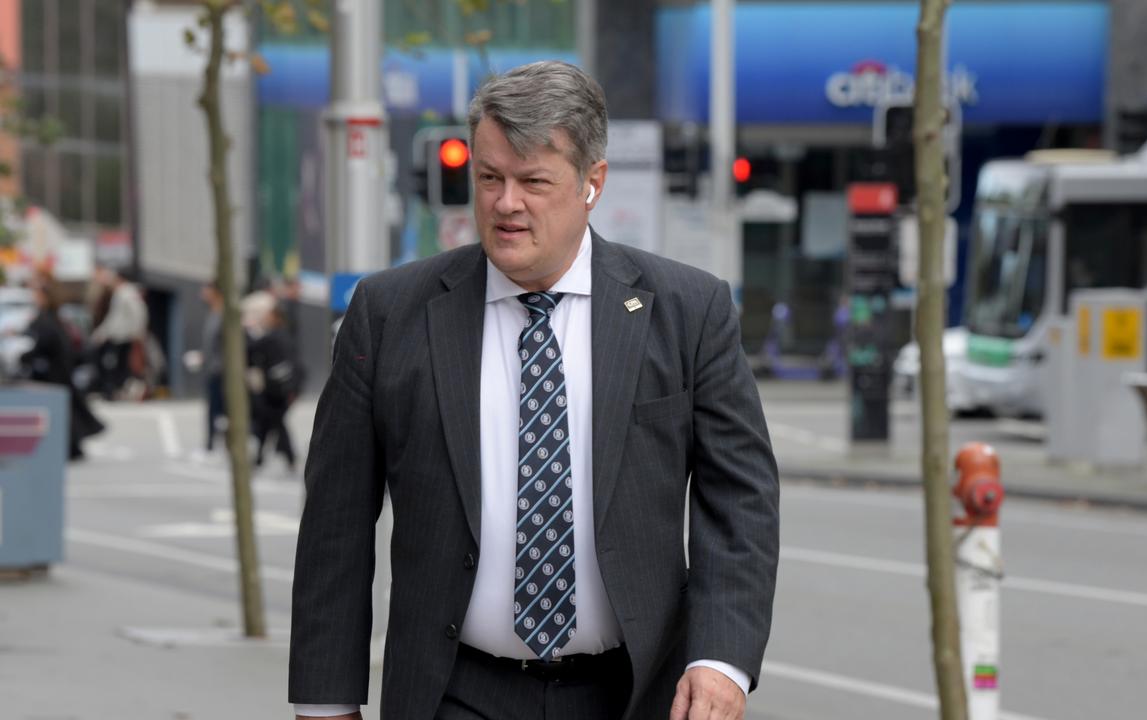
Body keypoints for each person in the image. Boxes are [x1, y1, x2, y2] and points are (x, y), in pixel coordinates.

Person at [289, 61, 780, 720]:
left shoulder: (688, 312)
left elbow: (740, 501)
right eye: (489, 178)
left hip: (632, 694)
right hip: (453, 693)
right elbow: (335, 527)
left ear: (592, 183)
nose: (505, 203)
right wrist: (326, 703)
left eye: (533, 181)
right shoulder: (389, 313)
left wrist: (720, 661)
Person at [20, 280, 105, 459]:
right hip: (59, 368)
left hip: (54, 370)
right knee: (67, 407)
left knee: (61, 409)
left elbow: (43, 342)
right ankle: (73, 446)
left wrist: (25, 357)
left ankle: (72, 446)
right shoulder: (52, 317)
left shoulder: (47, 318)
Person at [247, 303, 300, 472]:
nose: (265, 319)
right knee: (269, 422)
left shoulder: (271, 337)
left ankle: (288, 456)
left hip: (275, 389)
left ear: (276, 318)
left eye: (268, 315)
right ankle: (262, 459)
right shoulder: (286, 336)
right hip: (284, 388)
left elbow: (250, 351)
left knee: (274, 422)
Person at [89, 266, 148, 399]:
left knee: (118, 365)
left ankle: (117, 390)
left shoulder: (125, 292)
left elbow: (136, 313)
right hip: (119, 335)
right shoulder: (123, 292)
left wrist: (137, 332)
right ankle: (117, 390)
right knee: (119, 365)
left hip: (122, 336)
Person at [200, 281, 226, 453]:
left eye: (206, 290)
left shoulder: (224, 315)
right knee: (214, 408)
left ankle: (214, 444)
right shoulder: (213, 313)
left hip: (221, 370)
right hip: (212, 367)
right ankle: (211, 443)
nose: (202, 293)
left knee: (219, 408)